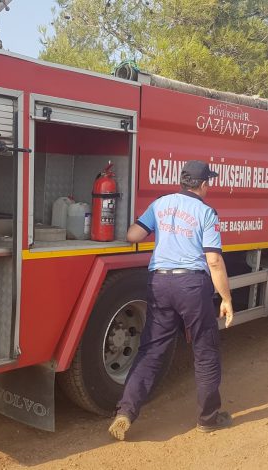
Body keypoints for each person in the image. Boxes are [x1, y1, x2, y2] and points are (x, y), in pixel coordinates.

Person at [108, 160, 234, 441]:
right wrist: (225, 298)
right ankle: (207, 419)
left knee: (151, 350)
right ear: (202, 184)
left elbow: (133, 235)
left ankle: (125, 413)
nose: (209, 185)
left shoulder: (160, 204)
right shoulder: (207, 212)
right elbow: (213, 260)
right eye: (208, 182)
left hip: (160, 282)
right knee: (205, 351)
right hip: (191, 284)